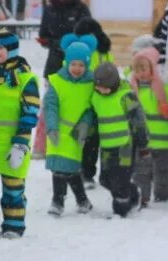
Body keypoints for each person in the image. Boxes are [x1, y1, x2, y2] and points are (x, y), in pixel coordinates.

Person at [0, 29, 40, 237]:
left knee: (13, 188)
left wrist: (20, 143)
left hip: (14, 142)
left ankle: (13, 224)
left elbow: (30, 113)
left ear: (12, 50)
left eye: (1, 47)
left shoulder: (25, 78)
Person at [34, 0, 91, 158]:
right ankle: (42, 146)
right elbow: (44, 33)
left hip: (76, 64)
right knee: (49, 103)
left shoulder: (80, 8)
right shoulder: (49, 8)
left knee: (74, 103)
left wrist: (72, 44)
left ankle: (75, 141)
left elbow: (89, 32)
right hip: (54, 63)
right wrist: (51, 42)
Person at [44, 34, 97, 215]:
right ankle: (58, 201)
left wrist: (84, 124)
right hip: (57, 130)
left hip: (75, 133)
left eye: (81, 65)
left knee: (71, 168)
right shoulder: (57, 81)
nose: (77, 68)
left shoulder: (90, 84)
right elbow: (50, 105)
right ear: (67, 62)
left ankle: (82, 200)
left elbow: (91, 109)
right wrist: (51, 127)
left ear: (87, 65)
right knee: (58, 167)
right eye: (74, 64)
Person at [88, 62, 148, 217]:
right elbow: (92, 119)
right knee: (105, 179)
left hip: (124, 147)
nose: (102, 91)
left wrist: (143, 144)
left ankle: (120, 212)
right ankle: (133, 193)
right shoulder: (96, 97)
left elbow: (138, 122)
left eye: (106, 88)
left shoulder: (126, 96)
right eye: (99, 87)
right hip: (107, 147)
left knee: (120, 181)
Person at [129, 47, 168, 205]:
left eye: (143, 68)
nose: (141, 73)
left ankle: (163, 195)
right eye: (137, 69)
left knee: (163, 169)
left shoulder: (166, 88)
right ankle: (142, 196)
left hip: (163, 138)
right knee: (141, 170)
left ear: (152, 68)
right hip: (142, 139)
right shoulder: (131, 90)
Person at [73, 17, 113, 189]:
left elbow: (111, 72)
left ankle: (96, 173)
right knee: (82, 140)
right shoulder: (75, 53)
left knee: (98, 140)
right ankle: (81, 171)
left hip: (101, 102)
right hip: (80, 103)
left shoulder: (104, 52)